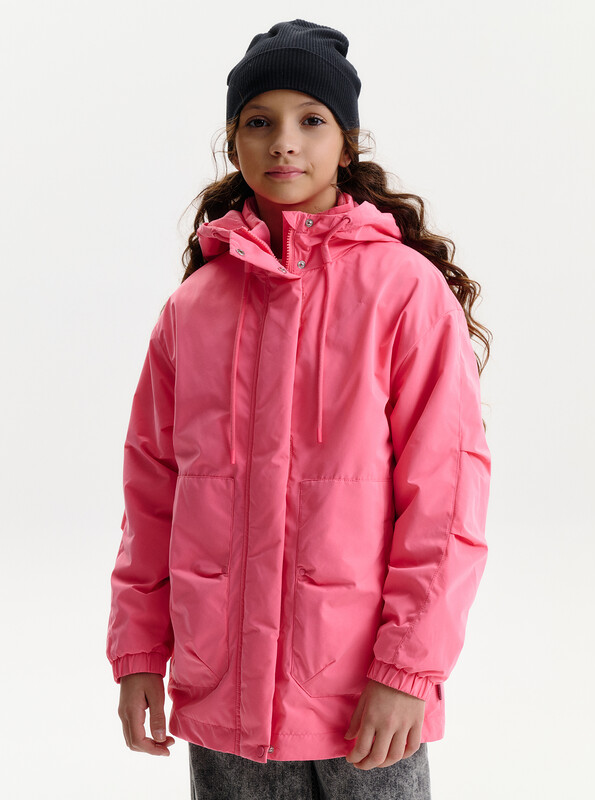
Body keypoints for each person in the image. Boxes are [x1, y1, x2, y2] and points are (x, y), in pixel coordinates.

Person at [106, 18, 492, 800]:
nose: (284, 142)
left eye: (311, 120)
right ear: (233, 142)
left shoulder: (403, 292)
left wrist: (408, 669)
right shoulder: (193, 309)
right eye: (259, 122)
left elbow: (446, 499)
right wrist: (140, 653)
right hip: (224, 697)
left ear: (346, 144)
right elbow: (152, 498)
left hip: (363, 705)